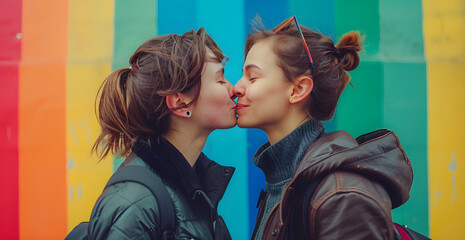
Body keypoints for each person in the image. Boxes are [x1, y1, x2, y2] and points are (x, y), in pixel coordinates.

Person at [233, 16, 413, 239]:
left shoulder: (341, 195)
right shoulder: (284, 180)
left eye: (252, 77)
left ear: (298, 89)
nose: (236, 87)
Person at [89, 28, 237, 240]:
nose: (234, 89)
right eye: (221, 80)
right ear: (180, 103)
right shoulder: (135, 201)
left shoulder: (192, 185)